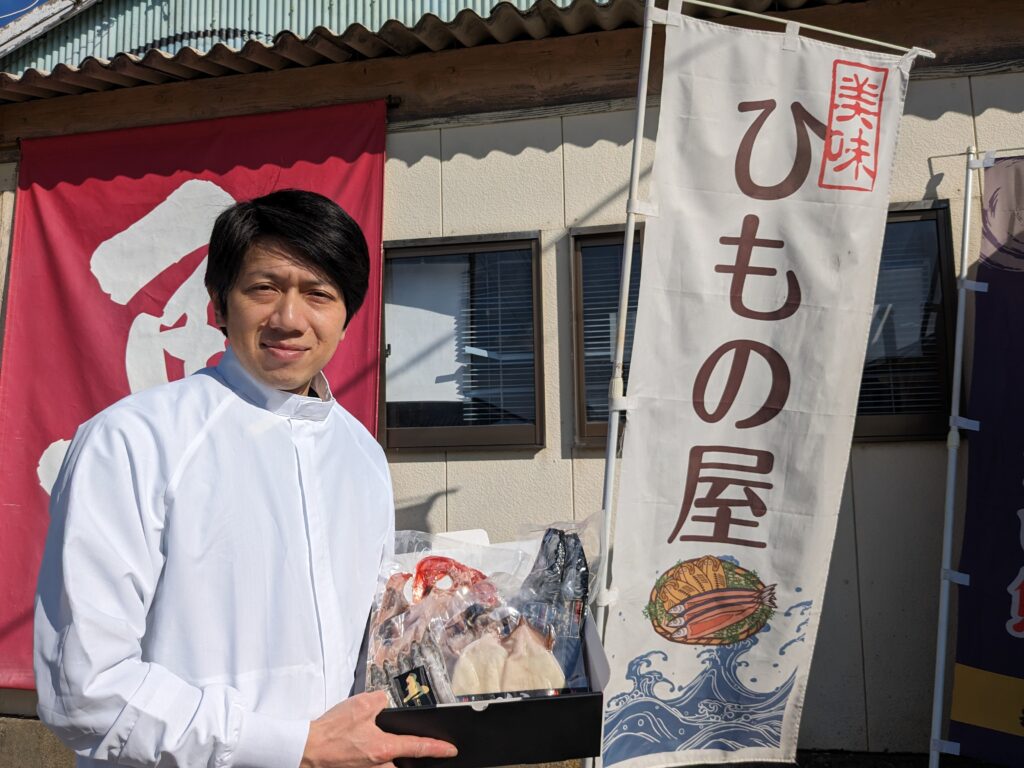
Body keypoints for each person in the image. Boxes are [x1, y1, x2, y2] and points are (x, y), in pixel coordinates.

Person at [34, 189, 457, 768]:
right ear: (218, 305)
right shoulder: (133, 440)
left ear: (346, 316)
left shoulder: (361, 455)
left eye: (318, 294)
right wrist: (296, 748)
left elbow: (368, 653)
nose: (289, 318)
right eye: (264, 288)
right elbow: (86, 687)